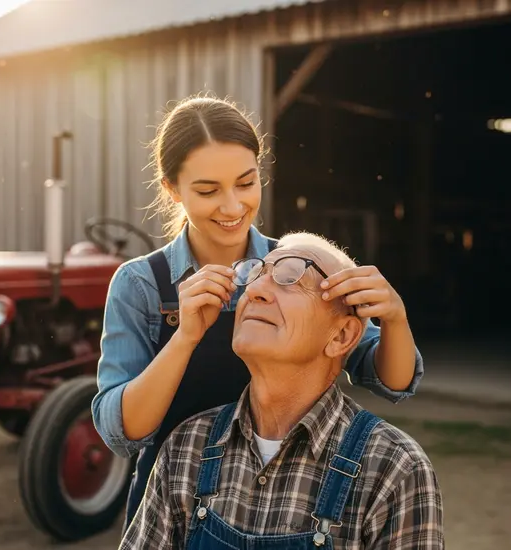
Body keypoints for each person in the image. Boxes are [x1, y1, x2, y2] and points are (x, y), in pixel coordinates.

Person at [91, 95, 424, 530]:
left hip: (285, 508)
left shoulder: (300, 266)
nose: (232, 207)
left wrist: (394, 317)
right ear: (172, 189)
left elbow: (390, 382)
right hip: (176, 511)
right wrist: (186, 336)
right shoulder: (140, 285)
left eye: (246, 183)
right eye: (208, 191)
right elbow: (122, 432)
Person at [119, 231, 443, 550]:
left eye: (290, 277)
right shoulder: (185, 448)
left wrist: (396, 318)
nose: (255, 290)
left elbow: (398, 377)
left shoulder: (394, 469)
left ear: (342, 336)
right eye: (254, 273)